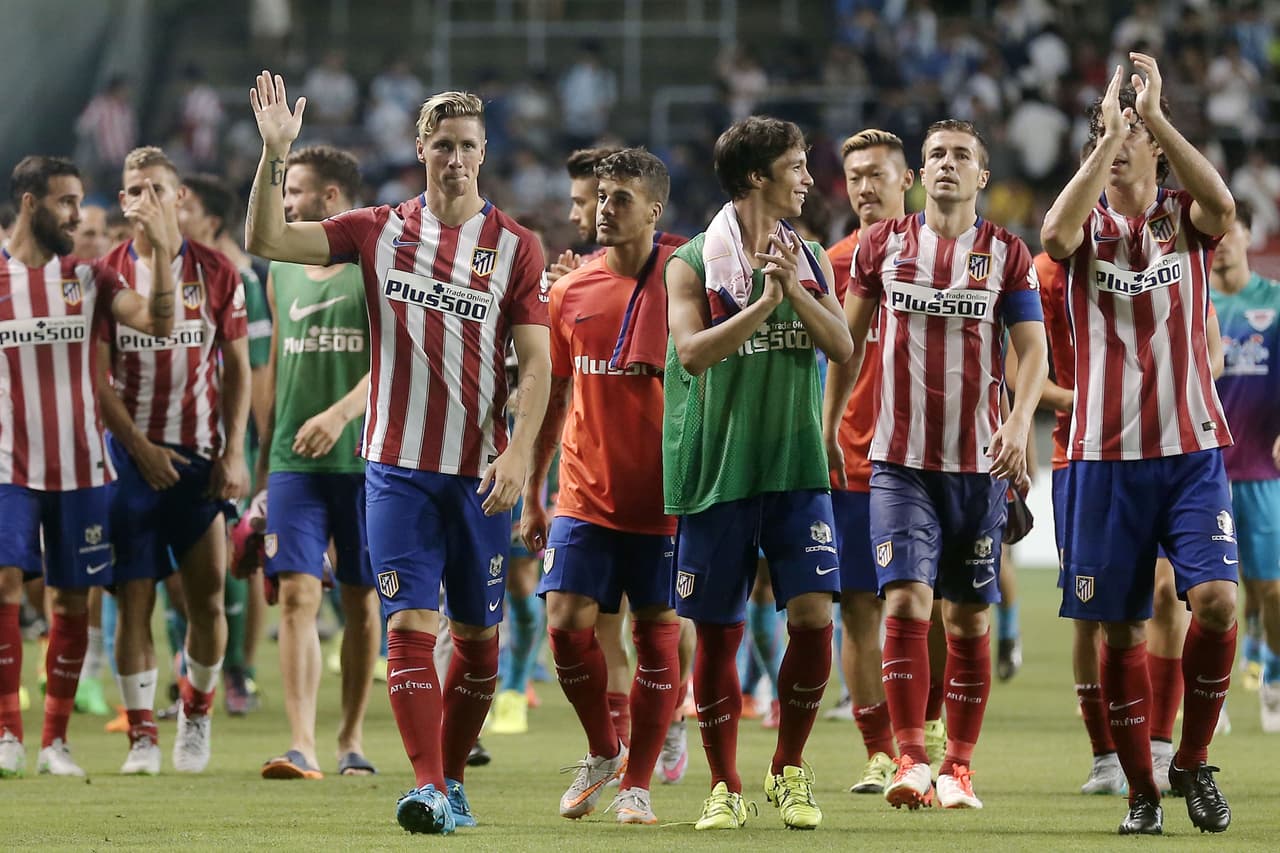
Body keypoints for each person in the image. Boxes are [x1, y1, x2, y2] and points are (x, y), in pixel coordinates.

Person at [245, 72, 551, 835]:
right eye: (442, 144)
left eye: (468, 146)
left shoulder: (515, 246)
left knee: (479, 644)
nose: (455, 157)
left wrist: (519, 453)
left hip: (480, 472)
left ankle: (448, 778)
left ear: (485, 154)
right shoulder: (377, 229)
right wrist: (274, 153)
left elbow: (538, 364)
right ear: (419, 148)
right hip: (395, 469)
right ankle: (428, 787)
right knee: (409, 625)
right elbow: (267, 239)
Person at [1041, 55, 1238, 836]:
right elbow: (1054, 235)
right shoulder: (1086, 227)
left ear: (1158, 146)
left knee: (1217, 603)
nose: (1119, 142)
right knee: (1119, 629)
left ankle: (1188, 760)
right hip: (1104, 456)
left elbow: (1222, 208)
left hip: (1191, 450)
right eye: (1102, 131)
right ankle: (1140, 793)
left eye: (1130, 136)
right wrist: (1107, 138)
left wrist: (1152, 119)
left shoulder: (1181, 220)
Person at [835, 119, 1048, 811]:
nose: (947, 164)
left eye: (961, 155)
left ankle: (959, 766)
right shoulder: (882, 246)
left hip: (978, 466)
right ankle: (911, 756)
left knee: (965, 622)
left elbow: (1033, 350)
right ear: (921, 172)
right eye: (935, 155)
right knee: (904, 600)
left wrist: (1019, 423)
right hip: (898, 461)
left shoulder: (1009, 254)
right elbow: (848, 341)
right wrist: (826, 424)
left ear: (982, 175)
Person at [665, 115, 854, 830]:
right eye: (798, 165)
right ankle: (725, 784)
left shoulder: (811, 256)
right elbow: (692, 353)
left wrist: (796, 292)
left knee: (813, 617)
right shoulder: (689, 263)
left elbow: (841, 346)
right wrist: (765, 305)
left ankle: (790, 767)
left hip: (796, 465)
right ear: (757, 176)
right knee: (717, 633)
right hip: (718, 469)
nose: (809, 177)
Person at [0, 155, 175, 777]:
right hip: (9, 467)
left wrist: (161, 252)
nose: (78, 215)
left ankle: (54, 743)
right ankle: (7, 733)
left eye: (79, 202)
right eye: (66, 202)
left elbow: (158, 321)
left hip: (82, 467)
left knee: (72, 605)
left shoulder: (90, 277)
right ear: (29, 203)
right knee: (6, 583)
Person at [521, 148, 680, 825]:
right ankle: (602, 749)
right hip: (583, 492)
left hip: (666, 497)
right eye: (602, 196)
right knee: (564, 625)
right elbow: (554, 393)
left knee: (656, 635)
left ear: (655, 209)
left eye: (622, 198)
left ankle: (638, 782)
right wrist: (533, 484)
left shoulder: (688, 282)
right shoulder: (569, 290)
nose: (605, 209)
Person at [97, 146, 250, 776]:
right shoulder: (103, 274)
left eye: (158, 188)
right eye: (136, 190)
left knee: (206, 596)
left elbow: (238, 367)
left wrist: (236, 449)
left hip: (198, 456)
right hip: (130, 459)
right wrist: (138, 448)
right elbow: (99, 382)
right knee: (133, 595)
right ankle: (140, 736)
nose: (148, 199)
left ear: (179, 196)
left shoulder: (217, 271)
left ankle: (196, 714)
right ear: (124, 200)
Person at [822, 127, 948, 793]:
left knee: (933, 606)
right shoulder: (832, 262)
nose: (865, 187)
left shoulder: (946, 259)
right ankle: (879, 748)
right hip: (852, 461)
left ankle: (926, 726)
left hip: (931, 457)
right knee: (860, 608)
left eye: (878, 174)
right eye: (855, 176)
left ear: (909, 181)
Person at [249, 144, 380, 780]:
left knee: (360, 603)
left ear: (330, 198)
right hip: (292, 463)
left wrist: (338, 416)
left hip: (362, 458)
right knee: (296, 595)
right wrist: (262, 454)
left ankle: (350, 738)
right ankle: (300, 741)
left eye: (295, 191)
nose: (287, 203)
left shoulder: (375, 267)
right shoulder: (280, 271)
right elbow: (271, 367)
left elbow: (392, 364)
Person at [178, 172, 271, 715]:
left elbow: (255, 370)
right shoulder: (165, 272)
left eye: (182, 204)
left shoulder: (240, 278)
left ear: (209, 219)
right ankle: (193, 670)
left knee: (237, 559)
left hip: (231, 441)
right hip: (179, 438)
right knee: (183, 569)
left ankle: (239, 671)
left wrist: (257, 449)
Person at [1207, 199, 1280, 733]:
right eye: (1217, 231)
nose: (1223, 239)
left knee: (1270, 588)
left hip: (1262, 469)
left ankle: (1272, 677)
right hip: (1203, 472)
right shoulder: (1194, 303)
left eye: (1233, 230)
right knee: (1206, 593)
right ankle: (1215, 690)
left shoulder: (1273, 302)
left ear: (1251, 236)